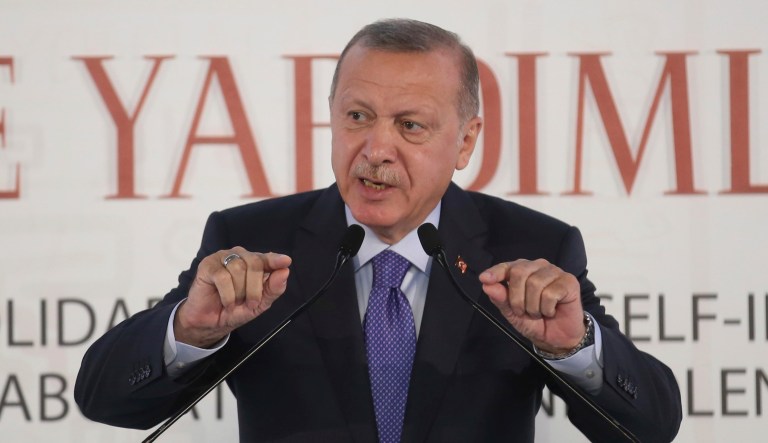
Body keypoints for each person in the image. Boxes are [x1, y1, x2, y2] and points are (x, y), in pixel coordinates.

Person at [75, 18, 682, 442]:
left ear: (465, 140)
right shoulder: (253, 242)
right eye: (357, 117)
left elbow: (651, 426)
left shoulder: (532, 250)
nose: (375, 150)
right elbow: (105, 400)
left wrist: (572, 349)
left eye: (411, 125)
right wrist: (190, 328)